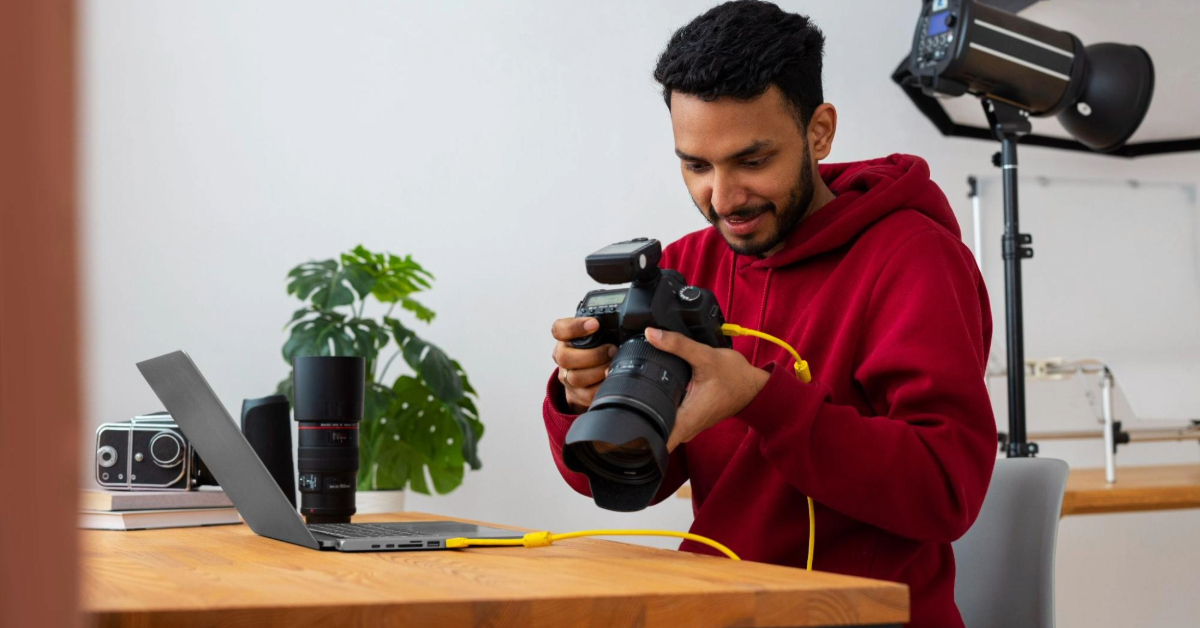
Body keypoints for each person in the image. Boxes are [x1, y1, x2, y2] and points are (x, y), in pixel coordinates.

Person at [542, 2, 996, 626]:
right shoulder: (684, 267)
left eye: (752, 161)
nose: (722, 199)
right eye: (696, 165)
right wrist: (583, 397)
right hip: (718, 610)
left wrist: (761, 399)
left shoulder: (914, 259)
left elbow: (948, 491)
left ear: (819, 132)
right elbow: (630, 482)